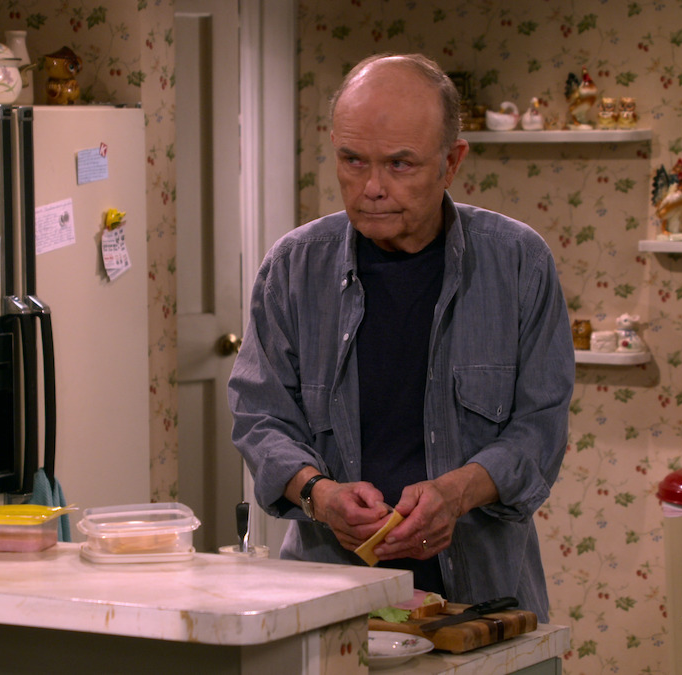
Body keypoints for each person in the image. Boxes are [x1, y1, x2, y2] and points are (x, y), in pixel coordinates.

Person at [227, 53, 573, 621]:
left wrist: (456, 495)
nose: (372, 188)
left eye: (400, 164)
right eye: (352, 160)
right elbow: (259, 416)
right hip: (330, 597)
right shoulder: (294, 267)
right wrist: (320, 495)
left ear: (451, 162)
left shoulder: (518, 263)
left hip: (481, 603)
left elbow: (540, 428)